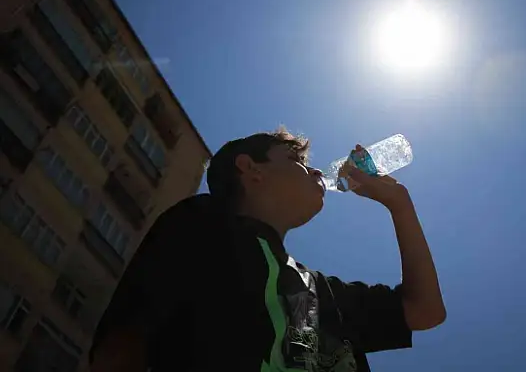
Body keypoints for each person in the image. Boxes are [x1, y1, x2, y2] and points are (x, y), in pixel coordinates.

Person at [89, 128, 446, 371]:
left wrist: (399, 204)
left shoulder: (314, 293)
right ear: (251, 169)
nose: (317, 171)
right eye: (298, 162)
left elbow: (425, 311)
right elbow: (123, 346)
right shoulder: (206, 223)